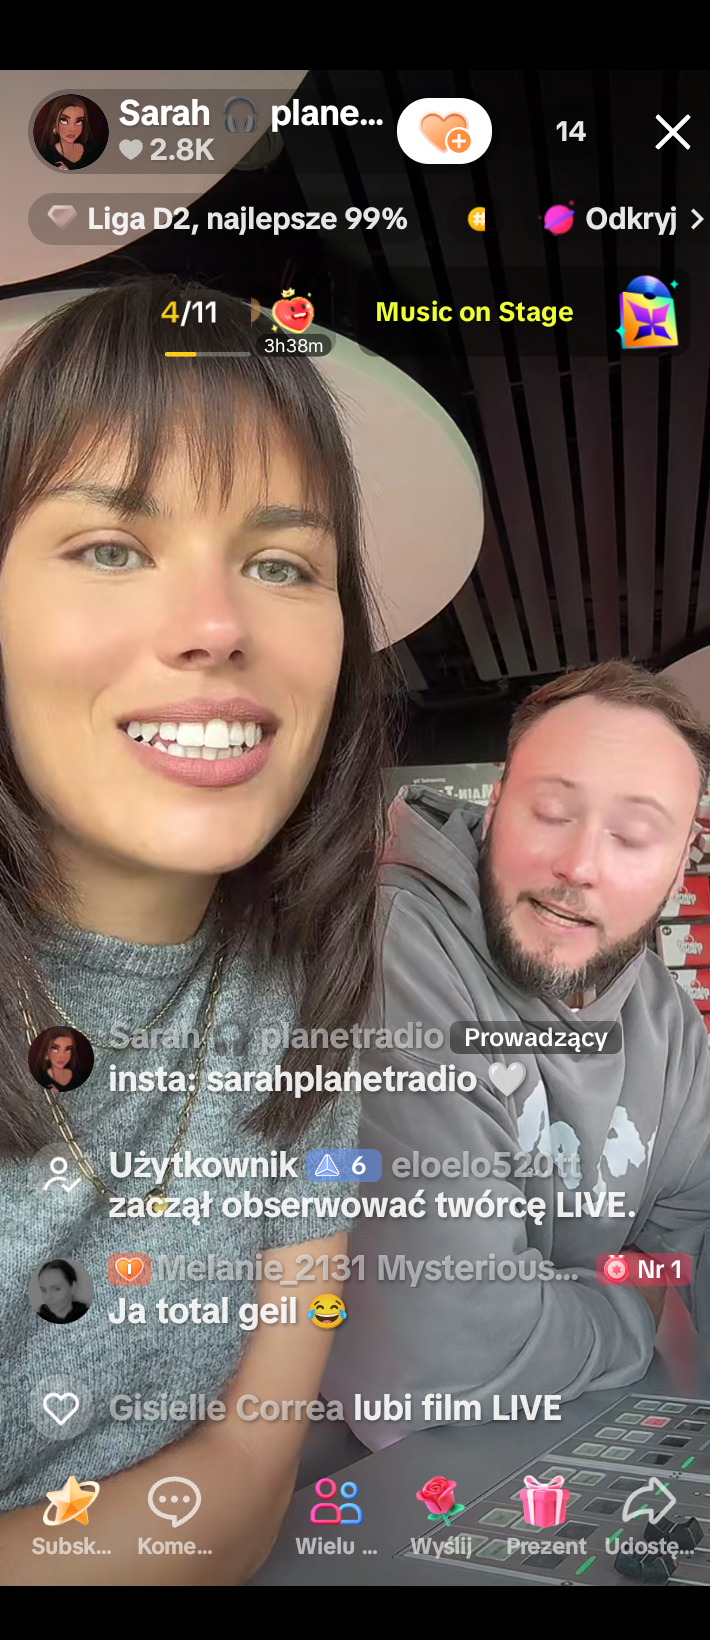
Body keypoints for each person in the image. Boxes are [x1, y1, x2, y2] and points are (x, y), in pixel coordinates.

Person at [0, 278, 391, 1585]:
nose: (220, 627)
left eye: (282, 565)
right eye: (113, 545)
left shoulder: (310, 1001)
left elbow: (249, 1475)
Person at [325, 660, 710, 1448]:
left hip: (568, 1447)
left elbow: (701, 1235)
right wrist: (632, 1302)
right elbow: (432, 1362)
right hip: (358, 1487)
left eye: (634, 836)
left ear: (680, 865)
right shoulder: (390, 950)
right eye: (551, 812)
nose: (580, 864)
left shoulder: (663, 1014)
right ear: (497, 802)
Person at [35, 98, 103, 171]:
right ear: (54, 125)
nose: (72, 129)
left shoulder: (93, 151)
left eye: (78, 121)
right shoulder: (45, 156)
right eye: (64, 121)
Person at [29, 1028, 86, 1092]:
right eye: (55, 1049)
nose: (62, 1056)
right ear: (46, 1053)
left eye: (67, 1050)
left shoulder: (78, 1077)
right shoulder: (41, 1079)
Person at [35, 1259, 89, 1324]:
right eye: (44, 1290)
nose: (48, 1297)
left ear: (73, 1287)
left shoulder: (88, 1316)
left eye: (56, 1289)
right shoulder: (35, 1322)